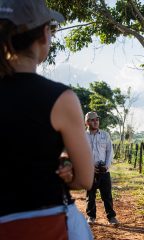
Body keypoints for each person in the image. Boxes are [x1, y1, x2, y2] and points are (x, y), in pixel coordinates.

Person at [0, 1, 94, 239]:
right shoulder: (61, 99)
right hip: (43, 224)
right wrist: (66, 173)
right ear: (44, 35)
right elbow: (85, 179)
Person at [85, 111, 119, 226]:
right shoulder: (82, 136)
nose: (96, 122)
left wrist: (106, 165)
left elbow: (110, 151)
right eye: (93, 120)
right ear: (87, 122)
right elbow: (81, 154)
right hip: (90, 171)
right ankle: (91, 216)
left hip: (104, 170)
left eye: (97, 119)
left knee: (107, 195)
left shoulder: (105, 135)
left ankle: (111, 217)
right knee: (90, 195)